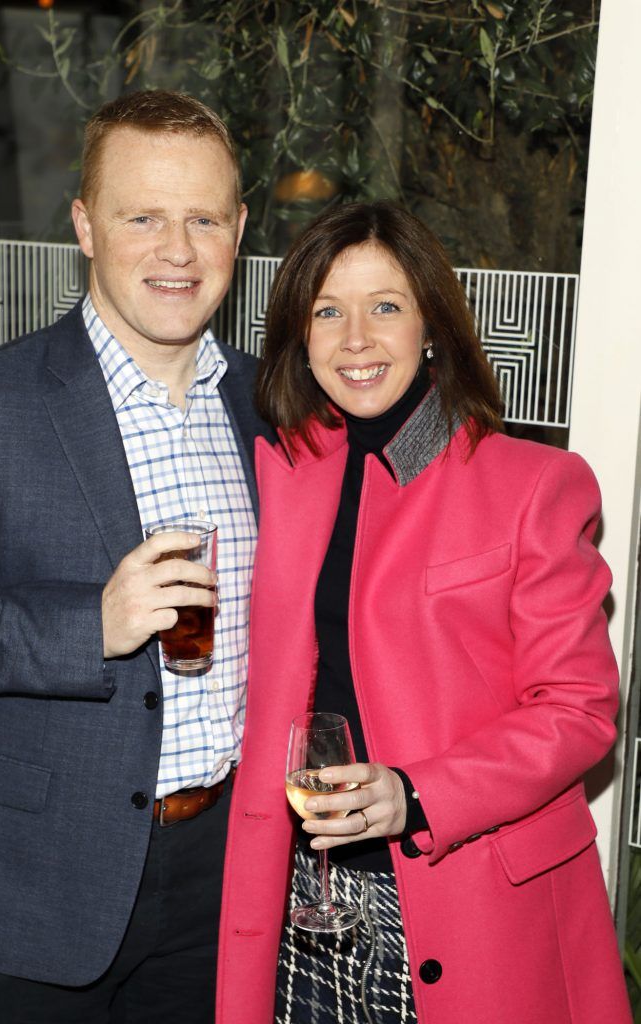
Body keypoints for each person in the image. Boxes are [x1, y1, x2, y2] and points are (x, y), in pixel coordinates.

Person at [0, 90, 269, 1024]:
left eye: (202, 218)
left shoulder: (266, 406)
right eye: (142, 216)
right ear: (83, 224)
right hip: (29, 885)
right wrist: (90, 626)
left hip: (222, 876)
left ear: (239, 229)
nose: (177, 249)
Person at [216, 201, 631, 1024]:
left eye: (385, 306)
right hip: (308, 895)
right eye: (326, 311)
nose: (355, 338)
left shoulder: (532, 484)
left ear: (432, 326)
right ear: (301, 337)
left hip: (474, 904)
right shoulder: (278, 473)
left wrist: (416, 793)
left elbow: (579, 712)